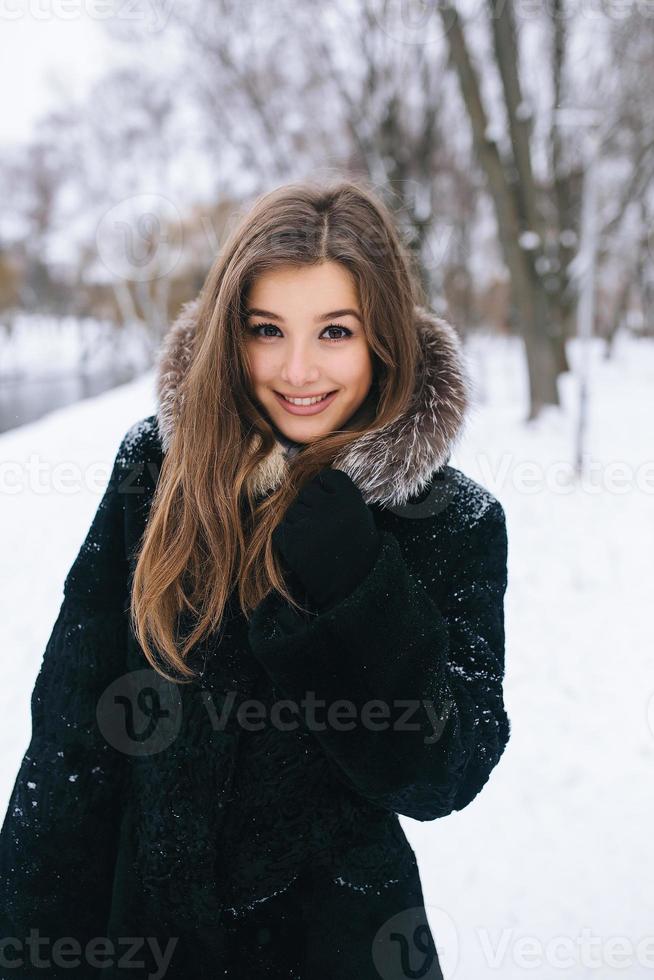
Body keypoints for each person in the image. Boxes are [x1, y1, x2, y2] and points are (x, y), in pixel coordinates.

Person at [0, 178, 510, 979]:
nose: (297, 369)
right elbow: (70, 744)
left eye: (334, 331)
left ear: (384, 338)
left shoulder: (449, 521)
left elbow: (445, 770)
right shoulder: (158, 471)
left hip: (342, 947)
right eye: (266, 330)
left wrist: (358, 589)